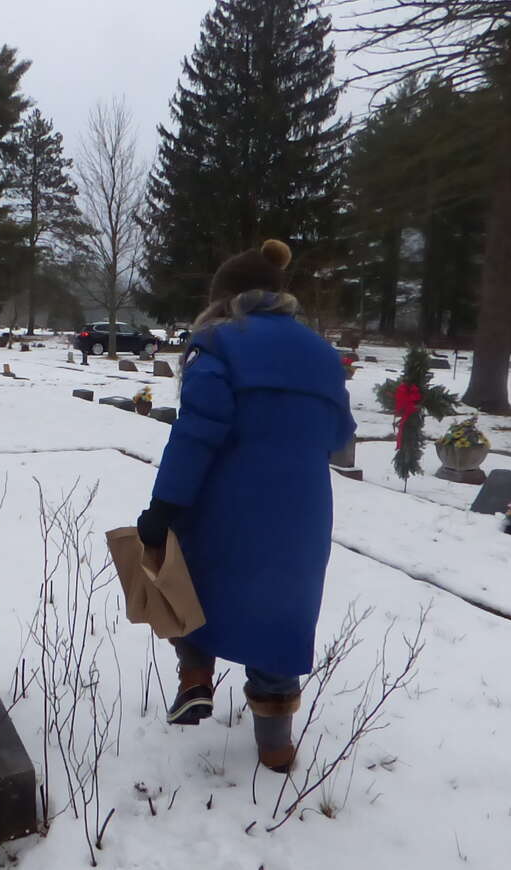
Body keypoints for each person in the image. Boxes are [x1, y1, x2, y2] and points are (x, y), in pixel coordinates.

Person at [135, 239, 356, 772]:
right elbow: (339, 434)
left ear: (225, 298)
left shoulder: (219, 344)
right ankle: (276, 748)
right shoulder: (324, 355)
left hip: (224, 504)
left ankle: (196, 675)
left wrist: (162, 508)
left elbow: (195, 435)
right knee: (282, 615)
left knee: (179, 580)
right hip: (301, 512)